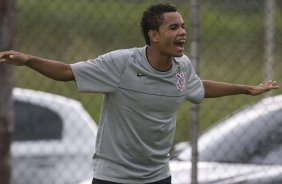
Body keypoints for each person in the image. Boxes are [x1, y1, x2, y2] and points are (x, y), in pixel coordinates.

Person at [0, 3, 279, 184]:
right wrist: (29, 60)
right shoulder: (120, 64)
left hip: (158, 176)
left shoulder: (182, 67)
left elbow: (199, 87)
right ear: (153, 36)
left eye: (183, 26)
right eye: (174, 27)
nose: (182, 32)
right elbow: (66, 72)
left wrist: (247, 89)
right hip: (114, 177)